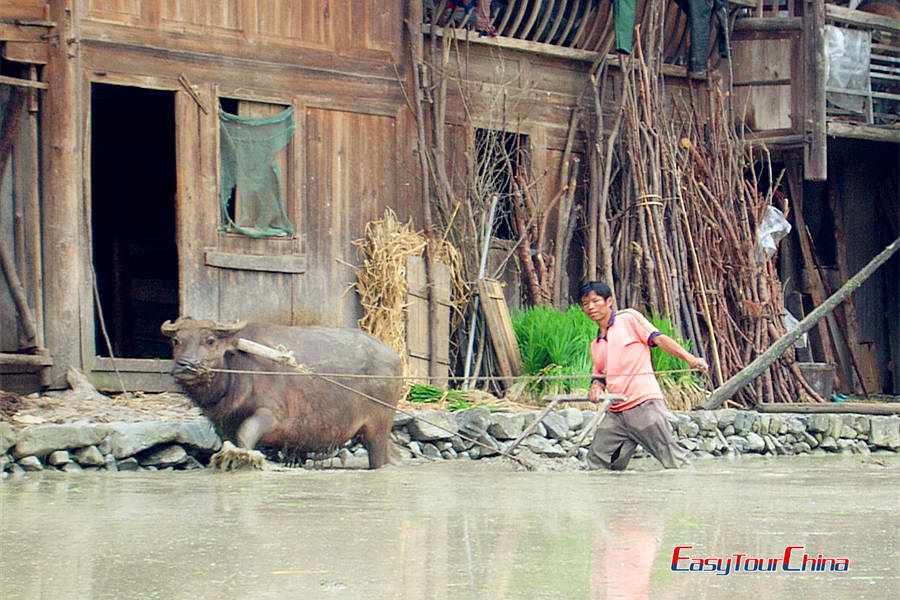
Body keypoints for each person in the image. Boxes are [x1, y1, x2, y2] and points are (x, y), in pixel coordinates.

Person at [579, 281, 708, 470]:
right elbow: (599, 377)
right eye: (585, 303)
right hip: (616, 413)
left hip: (644, 405)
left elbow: (658, 338)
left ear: (609, 302)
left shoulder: (628, 319)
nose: (590, 307)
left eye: (595, 301)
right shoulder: (596, 344)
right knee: (597, 462)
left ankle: (689, 493)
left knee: (674, 462)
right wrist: (595, 388)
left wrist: (690, 359)